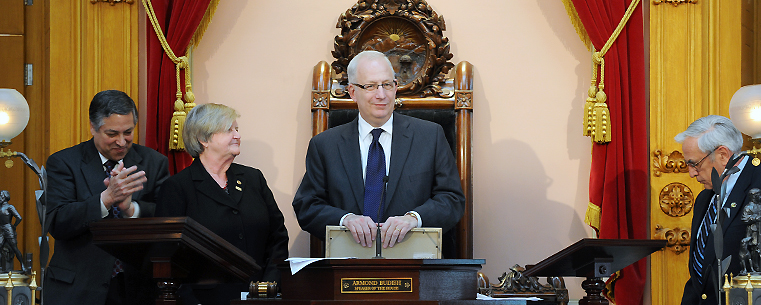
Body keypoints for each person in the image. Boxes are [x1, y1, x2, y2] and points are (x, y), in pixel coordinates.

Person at [292, 50, 465, 251]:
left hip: (414, 261)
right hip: (348, 263)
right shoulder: (325, 145)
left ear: (396, 87)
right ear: (353, 92)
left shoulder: (430, 136)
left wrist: (414, 219)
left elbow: (452, 200)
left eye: (387, 85)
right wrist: (345, 220)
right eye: (370, 86)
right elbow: (307, 206)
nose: (381, 95)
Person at [44, 90, 170, 305]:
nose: (121, 142)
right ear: (93, 127)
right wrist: (106, 199)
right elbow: (57, 222)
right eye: (112, 134)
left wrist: (131, 210)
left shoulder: (154, 162)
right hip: (79, 288)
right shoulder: (64, 163)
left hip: (137, 288)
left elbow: (166, 218)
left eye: (128, 132)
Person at [156, 103, 289, 304]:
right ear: (204, 139)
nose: (237, 135)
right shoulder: (177, 187)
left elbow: (277, 237)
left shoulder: (254, 178)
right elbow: (168, 255)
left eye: (237, 129)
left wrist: (268, 286)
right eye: (229, 129)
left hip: (260, 297)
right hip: (205, 299)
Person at [676, 115, 761, 305]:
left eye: (694, 164)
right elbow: (701, 277)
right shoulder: (704, 198)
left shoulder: (758, 185)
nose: (691, 173)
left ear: (722, 154)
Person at [0, 190, 24, 273]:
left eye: (1, 196)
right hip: (1, 230)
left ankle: (22, 265)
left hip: (8, 228)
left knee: (14, 248)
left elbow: (19, 217)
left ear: (5, 197)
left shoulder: (10, 207)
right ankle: (1, 266)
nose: (0, 198)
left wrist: (14, 226)